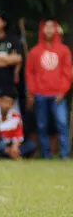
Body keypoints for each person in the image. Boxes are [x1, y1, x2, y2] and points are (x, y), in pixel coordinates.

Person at [26, 19, 71, 159]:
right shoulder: (34, 52)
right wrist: (33, 92)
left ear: (56, 30)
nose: (49, 30)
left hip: (58, 94)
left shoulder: (64, 50)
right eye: (46, 27)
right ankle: (46, 155)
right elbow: (30, 73)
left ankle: (64, 155)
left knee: (62, 124)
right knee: (41, 126)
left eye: (52, 27)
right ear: (42, 30)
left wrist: (62, 91)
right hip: (40, 94)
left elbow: (67, 72)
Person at [0, 89, 36, 159]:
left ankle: (1, 156)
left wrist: (14, 147)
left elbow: (18, 136)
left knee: (31, 145)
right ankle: (8, 155)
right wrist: (5, 149)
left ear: (13, 104)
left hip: (10, 144)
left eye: (10, 102)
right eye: (5, 101)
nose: (6, 105)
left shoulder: (16, 116)